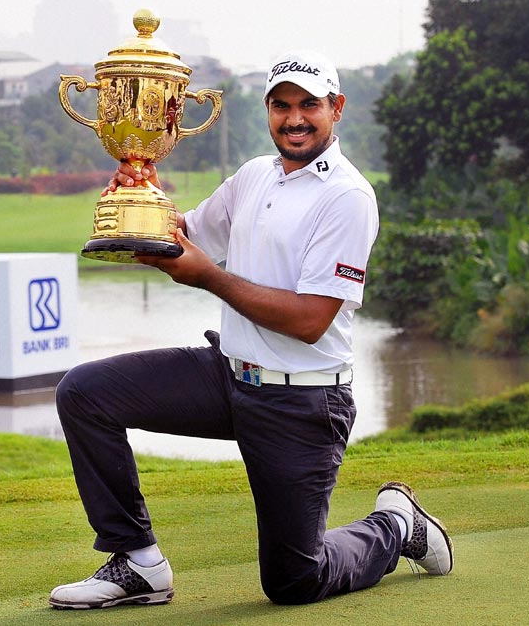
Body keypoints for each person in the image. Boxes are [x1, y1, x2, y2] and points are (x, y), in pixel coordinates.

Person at [49, 50, 453, 610]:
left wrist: (209, 278)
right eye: (281, 105)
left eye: (309, 105)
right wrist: (138, 191)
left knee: (295, 581)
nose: (294, 118)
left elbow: (311, 321)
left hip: (303, 400)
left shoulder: (348, 197)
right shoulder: (254, 175)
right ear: (268, 112)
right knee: (86, 393)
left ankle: (395, 524)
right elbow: (184, 237)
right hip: (228, 376)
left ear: (336, 109)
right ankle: (137, 561)